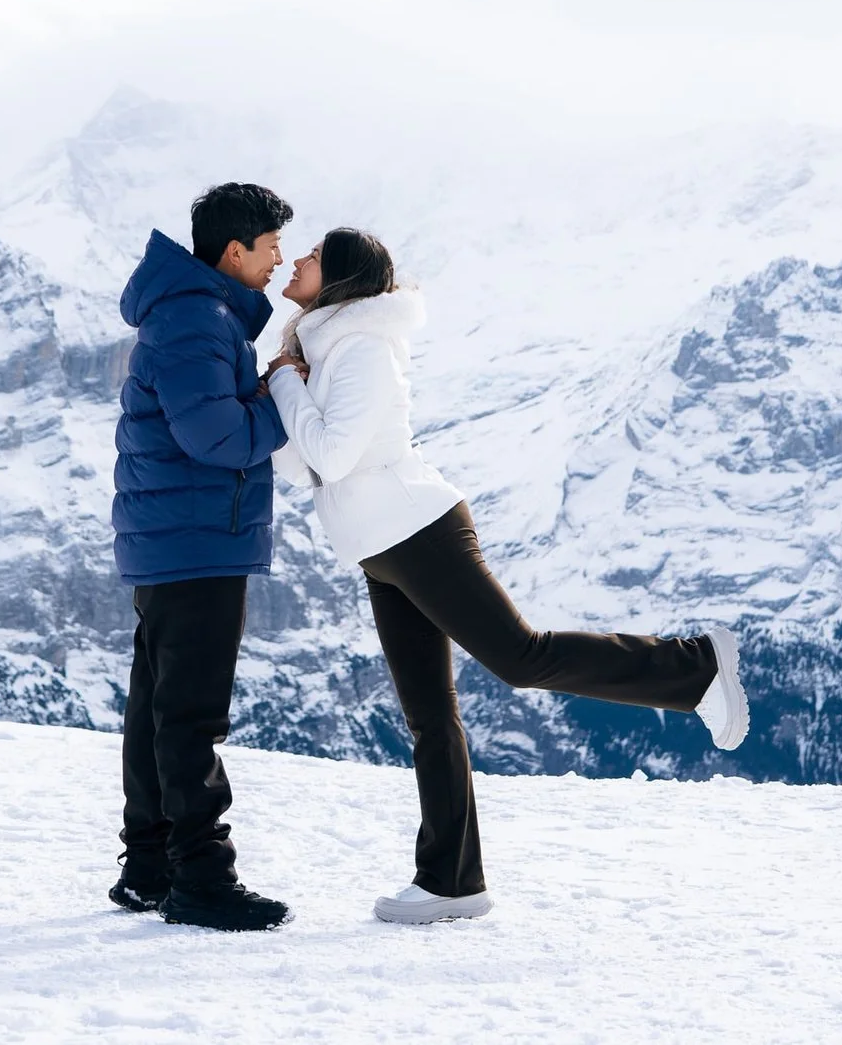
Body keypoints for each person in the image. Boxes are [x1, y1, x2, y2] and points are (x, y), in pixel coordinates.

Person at [266, 228, 749, 926]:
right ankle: (452, 881)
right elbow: (302, 464)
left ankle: (696, 667)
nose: (298, 259)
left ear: (338, 278)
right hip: (381, 545)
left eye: (312, 253)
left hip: (418, 529)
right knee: (429, 713)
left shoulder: (363, 348)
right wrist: (294, 387)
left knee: (521, 657)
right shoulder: (324, 350)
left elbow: (334, 456)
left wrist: (284, 382)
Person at [108, 182, 297, 932]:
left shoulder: (197, 313)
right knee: (189, 714)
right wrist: (282, 398)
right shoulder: (196, 319)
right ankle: (201, 876)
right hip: (195, 541)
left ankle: (149, 866)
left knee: (157, 705)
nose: (279, 261)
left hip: (176, 537)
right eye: (271, 247)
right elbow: (215, 436)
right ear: (233, 251)